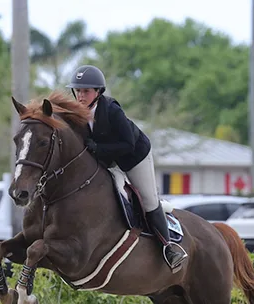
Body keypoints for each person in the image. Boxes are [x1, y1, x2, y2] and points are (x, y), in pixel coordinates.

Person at [66, 65, 188, 273]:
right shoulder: (76, 113)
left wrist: (99, 149)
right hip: (108, 160)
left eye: (86, 91)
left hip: (134, 157)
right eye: (78, 91)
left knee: (148, 200)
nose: (81, 96)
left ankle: (168, 248)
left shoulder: (111, 110)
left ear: (98, 92)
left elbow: (128, 144)